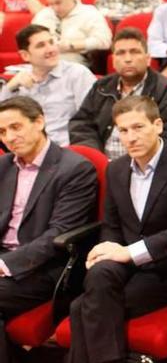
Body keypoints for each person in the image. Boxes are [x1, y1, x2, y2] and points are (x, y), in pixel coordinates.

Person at [66, 95, 167, 363]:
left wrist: (130, 252)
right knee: (99, 271)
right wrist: (106, 250)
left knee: (80, 307)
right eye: (123, 130)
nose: (130, 137)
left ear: (158, 125)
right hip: (129, 269)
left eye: (138, 127)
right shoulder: (117, 169)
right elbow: (111, 226)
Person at [0, 96, 97, 363]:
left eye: (16, 127)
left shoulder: (75, 169)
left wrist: (4, 264)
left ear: (40, 121)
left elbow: (58, 234)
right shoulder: (3, 166)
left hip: (45, 268)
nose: (9, 137)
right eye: (2, 131)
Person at [69, 28, 167, 158]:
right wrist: (96, 157)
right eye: (121, 53)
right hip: (101, 164)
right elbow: (81, 124)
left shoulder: (166, 91)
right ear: (113, 60)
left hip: (145, 167)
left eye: (134, 52)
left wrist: (123, 166)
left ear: (148, 59)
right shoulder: (102, 87)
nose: (127, 59)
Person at [0, 25, 96, 146]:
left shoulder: (77, 74)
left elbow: (90, 119)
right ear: (25, 55)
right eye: (41, 45)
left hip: (67, 148)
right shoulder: (20, 81)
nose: (50, 49)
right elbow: (3, 122)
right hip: (27, 149)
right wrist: (10, 87)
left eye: (51, 42)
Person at [31, 0, 113, 66]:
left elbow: (104, 41)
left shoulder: (89, 13)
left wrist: (72, 45)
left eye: (58, 2)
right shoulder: (43, 14)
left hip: (74, 63)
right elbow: (30, 39)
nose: (55, 8)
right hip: (43, 63)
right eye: (51, 4)